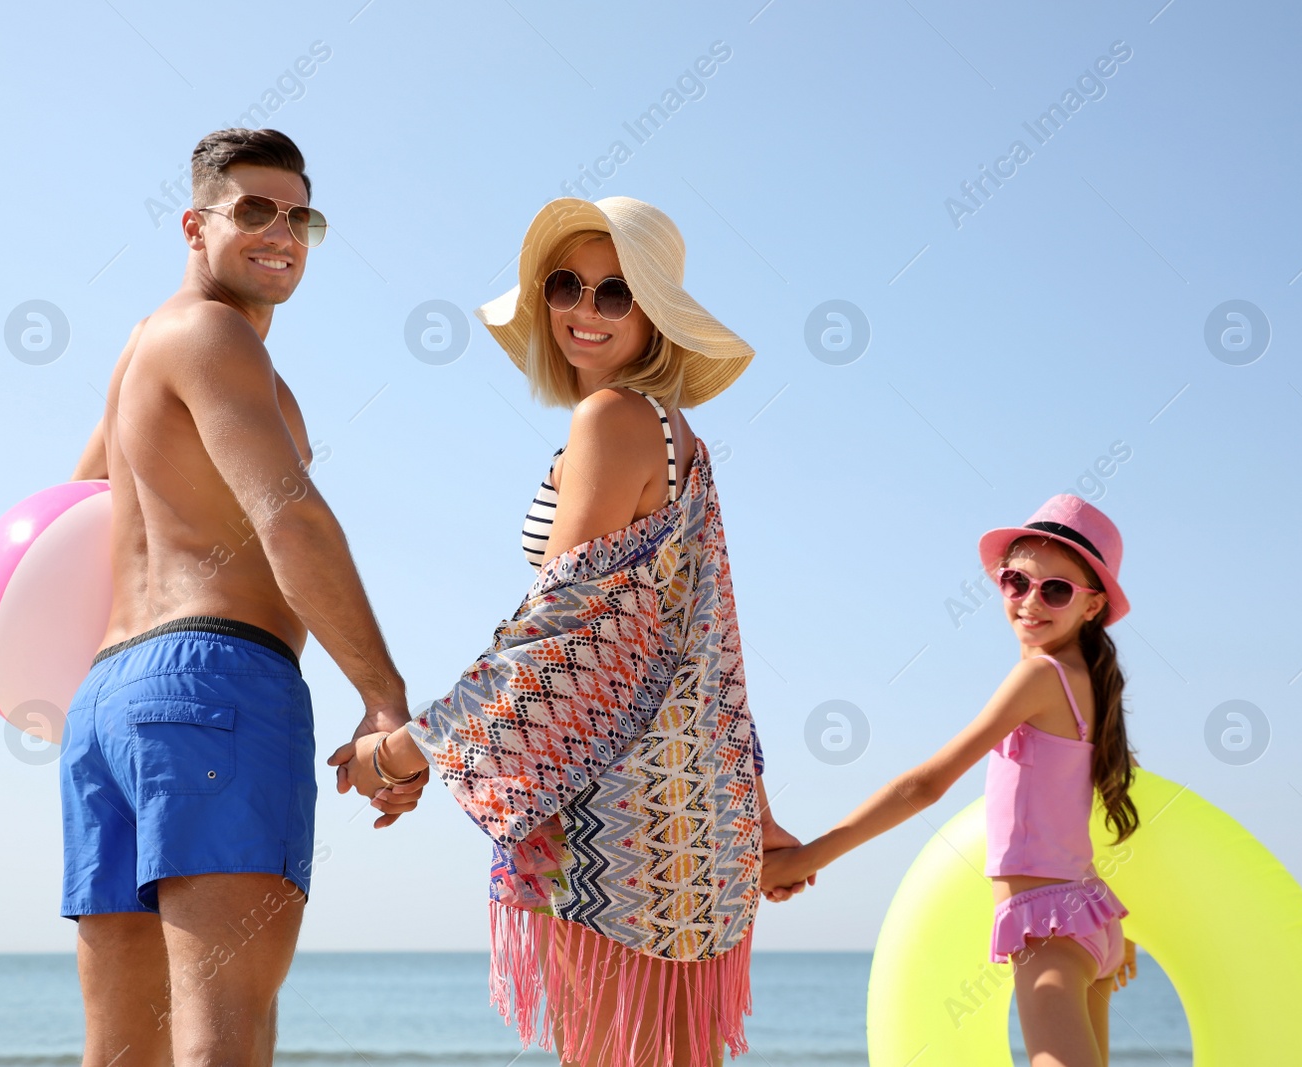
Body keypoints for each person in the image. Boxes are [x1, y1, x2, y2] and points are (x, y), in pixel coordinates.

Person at [331, 196, 807, 1067]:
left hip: (614, 818)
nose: (583, 311)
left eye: (615, 293)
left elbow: (560, 634)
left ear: (653, 312)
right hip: (692, 815)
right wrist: (760, 814)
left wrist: (408, 748)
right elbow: (703, 646)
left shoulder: (613, 419)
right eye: (566, 285)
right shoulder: (677, 436)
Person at [64, 128, 421, 1067]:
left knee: (123, 1051)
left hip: (108, 703)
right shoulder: (215, 334)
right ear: (195, 222)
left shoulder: (138, 353)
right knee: (226, 1037)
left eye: (300, 215)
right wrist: (384, 701)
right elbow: (290, 521)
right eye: (254, 209)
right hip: (214, 686)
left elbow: (73, 516)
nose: (283, 231)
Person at [763, 495, 1141, 1067]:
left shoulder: (1038, 677)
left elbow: (926, 785)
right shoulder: (1082, 679)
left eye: (1056, 590)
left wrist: (808, 855)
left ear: (1091, 607)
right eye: (1017, 582)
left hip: (1049, 928)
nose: (1030, 601)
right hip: (1089, 920)